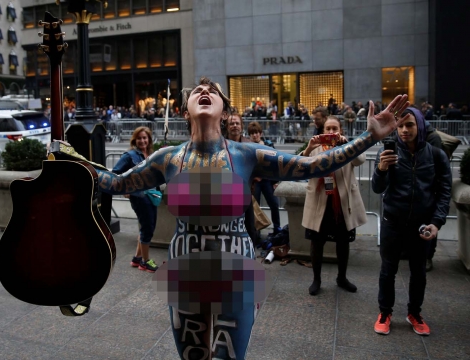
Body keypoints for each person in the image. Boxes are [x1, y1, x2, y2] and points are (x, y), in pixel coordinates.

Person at [53, 77, 410, 359]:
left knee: (228, 356)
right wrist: (72, 161)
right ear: (185, 109)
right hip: (185, 269)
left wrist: (369, 137)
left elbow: (311, 165)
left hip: (237, 267)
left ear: (225, 111)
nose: (205, 91)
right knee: (193, 355)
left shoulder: (247, 154)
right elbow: (116, 183)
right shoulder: (168, 158)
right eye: (198, 91)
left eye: (213, 91)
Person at [372, 107, 452, 337]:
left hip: (422, 224)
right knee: (388, 270)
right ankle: (385, 313)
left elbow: (444, 192)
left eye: (410, 125)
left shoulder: (436, 155)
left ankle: (414, 313)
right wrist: (381, 169)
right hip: (393, 221)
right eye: (400, 126)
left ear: (420, 126)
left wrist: (436, 222)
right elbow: (378, 188)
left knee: (419, 272)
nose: (405, 130)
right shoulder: (387, 153)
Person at [300, 116, 367, 295]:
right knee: (316, 242)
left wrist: (348, 145)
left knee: (343, 242)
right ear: (323, 132)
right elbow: (300, 166)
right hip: (320, 201)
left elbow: (361, 160)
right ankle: (316, 279)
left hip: (343, 203)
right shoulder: (315, 147)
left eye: (334, 129)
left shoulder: (347, 147)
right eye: (328, 129)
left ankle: (342, 277)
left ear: (341, 131)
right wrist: (309, 148)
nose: (331, 132)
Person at [111, 126, 159, 273]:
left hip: (152, 196)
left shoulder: (150, 154)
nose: (142, 141)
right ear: (135, 140)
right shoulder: (129, 155)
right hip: (139, 197)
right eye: (139, 138)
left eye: (145, 138)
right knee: (147, 229)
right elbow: (116, 174)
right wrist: (126, 189)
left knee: (147, 226)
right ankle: (145, 262)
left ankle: (137, 258)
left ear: (149, 139)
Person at [225, 112, 259, 247]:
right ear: (227, 127)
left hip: (244, 193)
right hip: (224, 195)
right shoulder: (220, 144)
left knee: (250, 227)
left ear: (241, 126)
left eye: (237, 123)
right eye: (231, 124)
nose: (234, 126)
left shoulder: (249, 145)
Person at [247, 121, 282, 238]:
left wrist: (276, 182)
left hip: (267, 180)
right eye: (252, 133)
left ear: (260, 133)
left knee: (274, 204)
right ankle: (256, 231)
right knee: (254, 207)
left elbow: (276, 163)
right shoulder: (248, 147)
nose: (254, 135)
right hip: (255, 181)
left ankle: (277, 228)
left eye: (256, 133)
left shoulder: (268, 144)